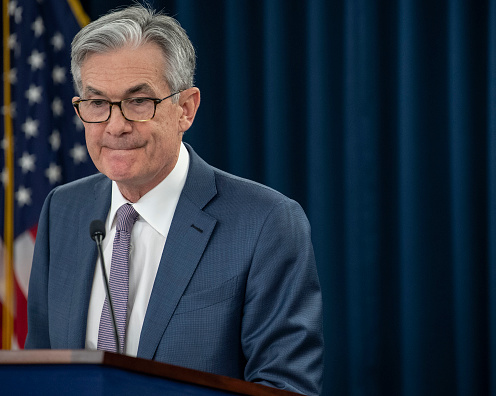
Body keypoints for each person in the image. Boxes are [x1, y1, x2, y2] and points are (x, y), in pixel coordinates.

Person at [24, 5, 323, 395]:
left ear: (185, 109)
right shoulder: (62, 210)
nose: (115, 126)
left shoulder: (266, 223)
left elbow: (286, 387)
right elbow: (41, 372)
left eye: (138, 102)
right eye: (97, 103)